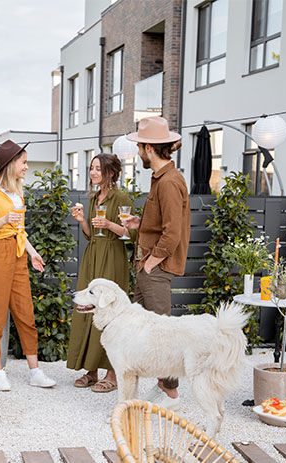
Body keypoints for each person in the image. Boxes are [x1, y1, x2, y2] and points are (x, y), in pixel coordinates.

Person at [0, 139, 57, 391]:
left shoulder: (18, 191)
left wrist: (32, 253)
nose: (26, 167)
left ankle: (35, 371)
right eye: (23, 162)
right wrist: (2, 219)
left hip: (19, 255)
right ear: (10, 164)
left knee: (26, 314)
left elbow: (19, 229)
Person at [122, 116, 191, 411]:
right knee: (145, 330)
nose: (138, 151)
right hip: (146, 266)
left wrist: (152, 262)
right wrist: (140, 224)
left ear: (149, 148)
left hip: (155, 269)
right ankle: (162, 385)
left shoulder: (169, 182)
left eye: (139, 146)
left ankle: (171, 393)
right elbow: (161, 225)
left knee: (162, 332)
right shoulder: (161, 179)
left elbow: (173, 233)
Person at [66, 153, 135, 393]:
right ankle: (91, 369)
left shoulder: (121, 197)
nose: (94, 172)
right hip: (92, 256)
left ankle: (113, 374)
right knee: (87, 308)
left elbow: (129, 234)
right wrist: (82, 222)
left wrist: (108, 225)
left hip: (112, 258)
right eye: (92, 168)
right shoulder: (95, 198)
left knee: (111, 313)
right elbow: (91, 234)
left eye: (99, 169)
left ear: (112, 173)